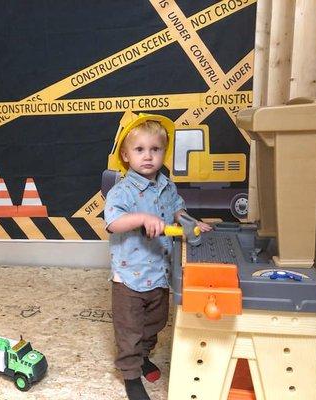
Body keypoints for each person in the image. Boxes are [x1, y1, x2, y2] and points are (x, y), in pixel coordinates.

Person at [104, 114, 211, 400]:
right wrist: (141, 217)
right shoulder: (122, 191)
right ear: (126, 155)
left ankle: (144, 356)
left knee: (156, 321)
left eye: (155, 149)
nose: (148, 156)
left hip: (160, 273)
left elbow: (178, 210)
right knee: (129, 329)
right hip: (129, 277)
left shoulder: (167, 185)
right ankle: (130, 375)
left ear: (164, 152)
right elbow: (113, 223)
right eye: (140, 150)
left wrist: (192, 223)